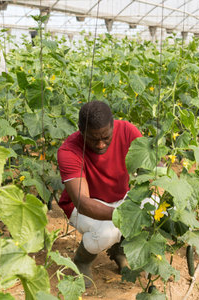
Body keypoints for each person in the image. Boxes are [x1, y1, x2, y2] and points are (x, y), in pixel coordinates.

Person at [57, 100, 142, 287]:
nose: (101, 144)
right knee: (105, 232)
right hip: (82, 207)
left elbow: (151, 167)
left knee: (153, 207)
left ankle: (119, 251)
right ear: (81, 130)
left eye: (106, 137)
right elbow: (83, 202)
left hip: (120, 198)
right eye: (93, 139)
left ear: (113, 125)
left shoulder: (127, 130)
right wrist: (124, 215)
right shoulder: (69, 150)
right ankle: (82, 260)